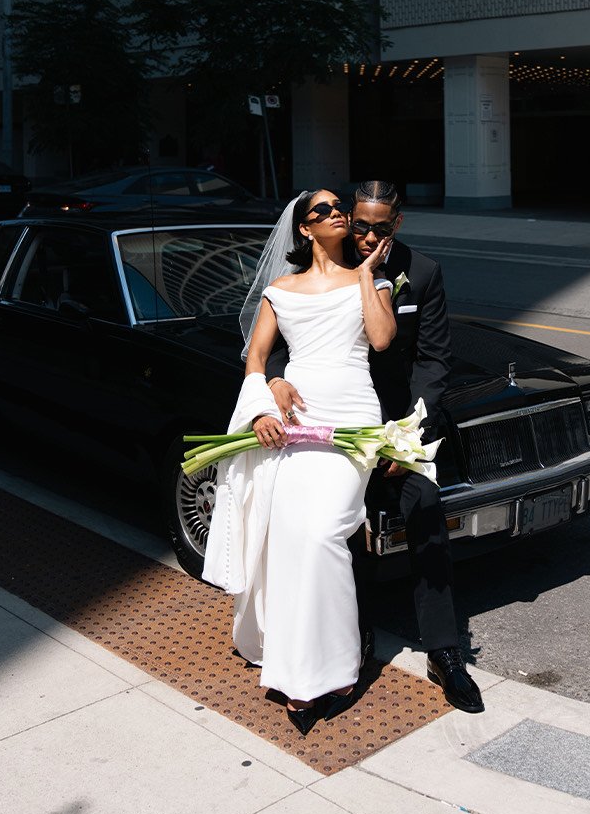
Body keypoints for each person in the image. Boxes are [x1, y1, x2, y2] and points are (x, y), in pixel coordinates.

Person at [267, 180, 485, 715]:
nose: (365, 236)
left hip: (395, 424)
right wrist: (274, 382)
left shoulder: (423, 272)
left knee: (425, 508)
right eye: (357, 224)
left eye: (378, 228)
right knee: (335, 525)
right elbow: (282, 341)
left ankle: (444, 649)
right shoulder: (324, 267)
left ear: (397, 225)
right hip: (325, 424)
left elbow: (434, 361)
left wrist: (405, 433)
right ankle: (353, 640)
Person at [200, 189, 396, 735]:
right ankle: (295, 670)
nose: (337, 214)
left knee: (322, 534)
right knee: (287, 536)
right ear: (305, 230)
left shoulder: (373, 280)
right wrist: (268, 397)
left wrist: (365, 273)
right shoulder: (279, 290)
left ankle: (337, 666)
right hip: (296, 425)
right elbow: (256, 360)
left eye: (341, 209)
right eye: (323, 211)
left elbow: (380, 340)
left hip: (353, 421)